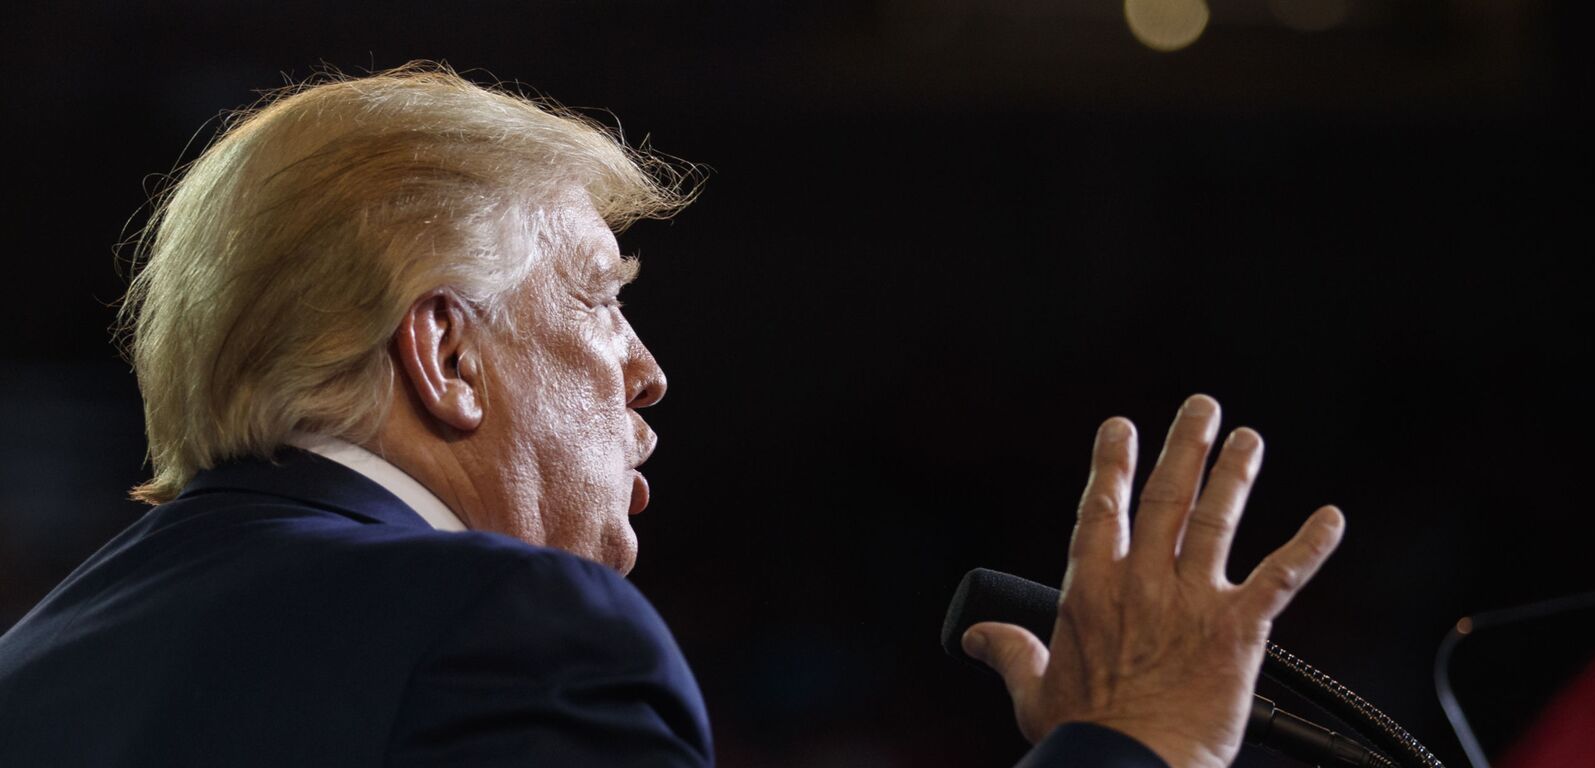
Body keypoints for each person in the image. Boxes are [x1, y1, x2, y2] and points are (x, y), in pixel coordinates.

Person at [0, 64, 1344, 767]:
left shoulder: (37, 666)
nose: (645, 374)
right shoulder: (504, 630)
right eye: (596, 300)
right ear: (445, 358)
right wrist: (1133, 744)